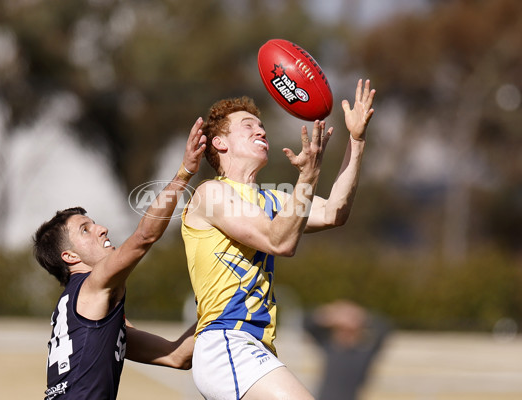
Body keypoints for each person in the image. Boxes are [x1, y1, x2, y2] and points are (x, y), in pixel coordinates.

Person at [181, 79, 376, 400]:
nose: (261, 131)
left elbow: (333, 213)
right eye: (247, 126)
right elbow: (279, 243)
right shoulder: (211, 193)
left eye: (261, 125)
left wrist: (356, 141)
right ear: (219, 143)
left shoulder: (272, 200)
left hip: (257, 348)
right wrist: (308, 176)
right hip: (228, 343)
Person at [33, 117, 207, 400]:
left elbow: (176, 356)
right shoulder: (93, 286)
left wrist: (219, 303)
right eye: (85, 229)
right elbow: (143, 238)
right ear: (69, 256)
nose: (101, 228)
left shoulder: (93, 315)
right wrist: (184, 173)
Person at [303, 300, 392, 400]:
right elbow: (307, 323)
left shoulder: (364, 352)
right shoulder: (330, 347)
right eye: (340, 329)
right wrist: (331, 315)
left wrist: (359, 316)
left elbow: (385, 328)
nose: (344, 333)